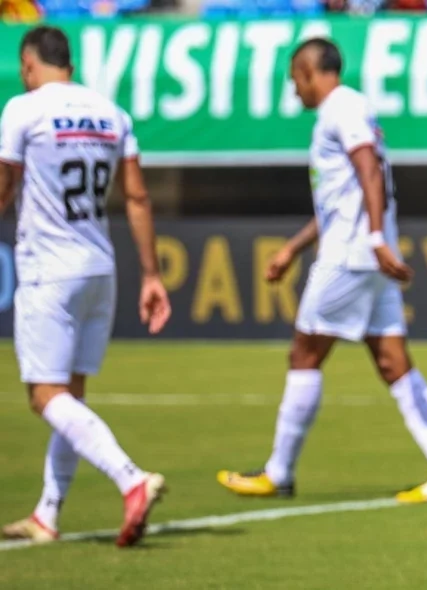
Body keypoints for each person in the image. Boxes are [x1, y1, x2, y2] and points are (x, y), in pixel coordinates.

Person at [216, 38, 427, 504]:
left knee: (304, 353)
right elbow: (343, 198)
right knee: (393, 362)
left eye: (295, 79)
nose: (294, 89)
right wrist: (294, 248)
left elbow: (368, 170)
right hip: (364, 252)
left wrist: (373, 238)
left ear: (310, 72)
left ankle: (279, 473)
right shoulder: (348, 110)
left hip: (351, 255)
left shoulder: (342, 108)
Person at [0, 25, 171, 548]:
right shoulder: (111, 114)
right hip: (100, 267)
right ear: (70, 65)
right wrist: (151, 274)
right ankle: (47, 514)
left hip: (49, 269)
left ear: (29, 66)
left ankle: (130, 478)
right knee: (70, 396)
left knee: (45, 396)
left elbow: (4, 185)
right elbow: (137, 197)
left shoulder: (24, 109)